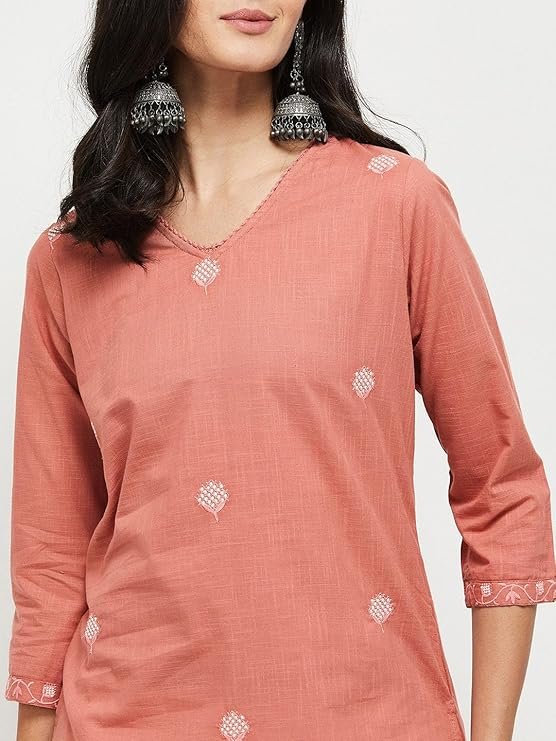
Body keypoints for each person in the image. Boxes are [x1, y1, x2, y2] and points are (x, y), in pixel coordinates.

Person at [4, 2, 556, 740]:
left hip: (365, 718)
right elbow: (51, 555)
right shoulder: (71, 257)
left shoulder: (395, 204)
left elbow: (503, 490)